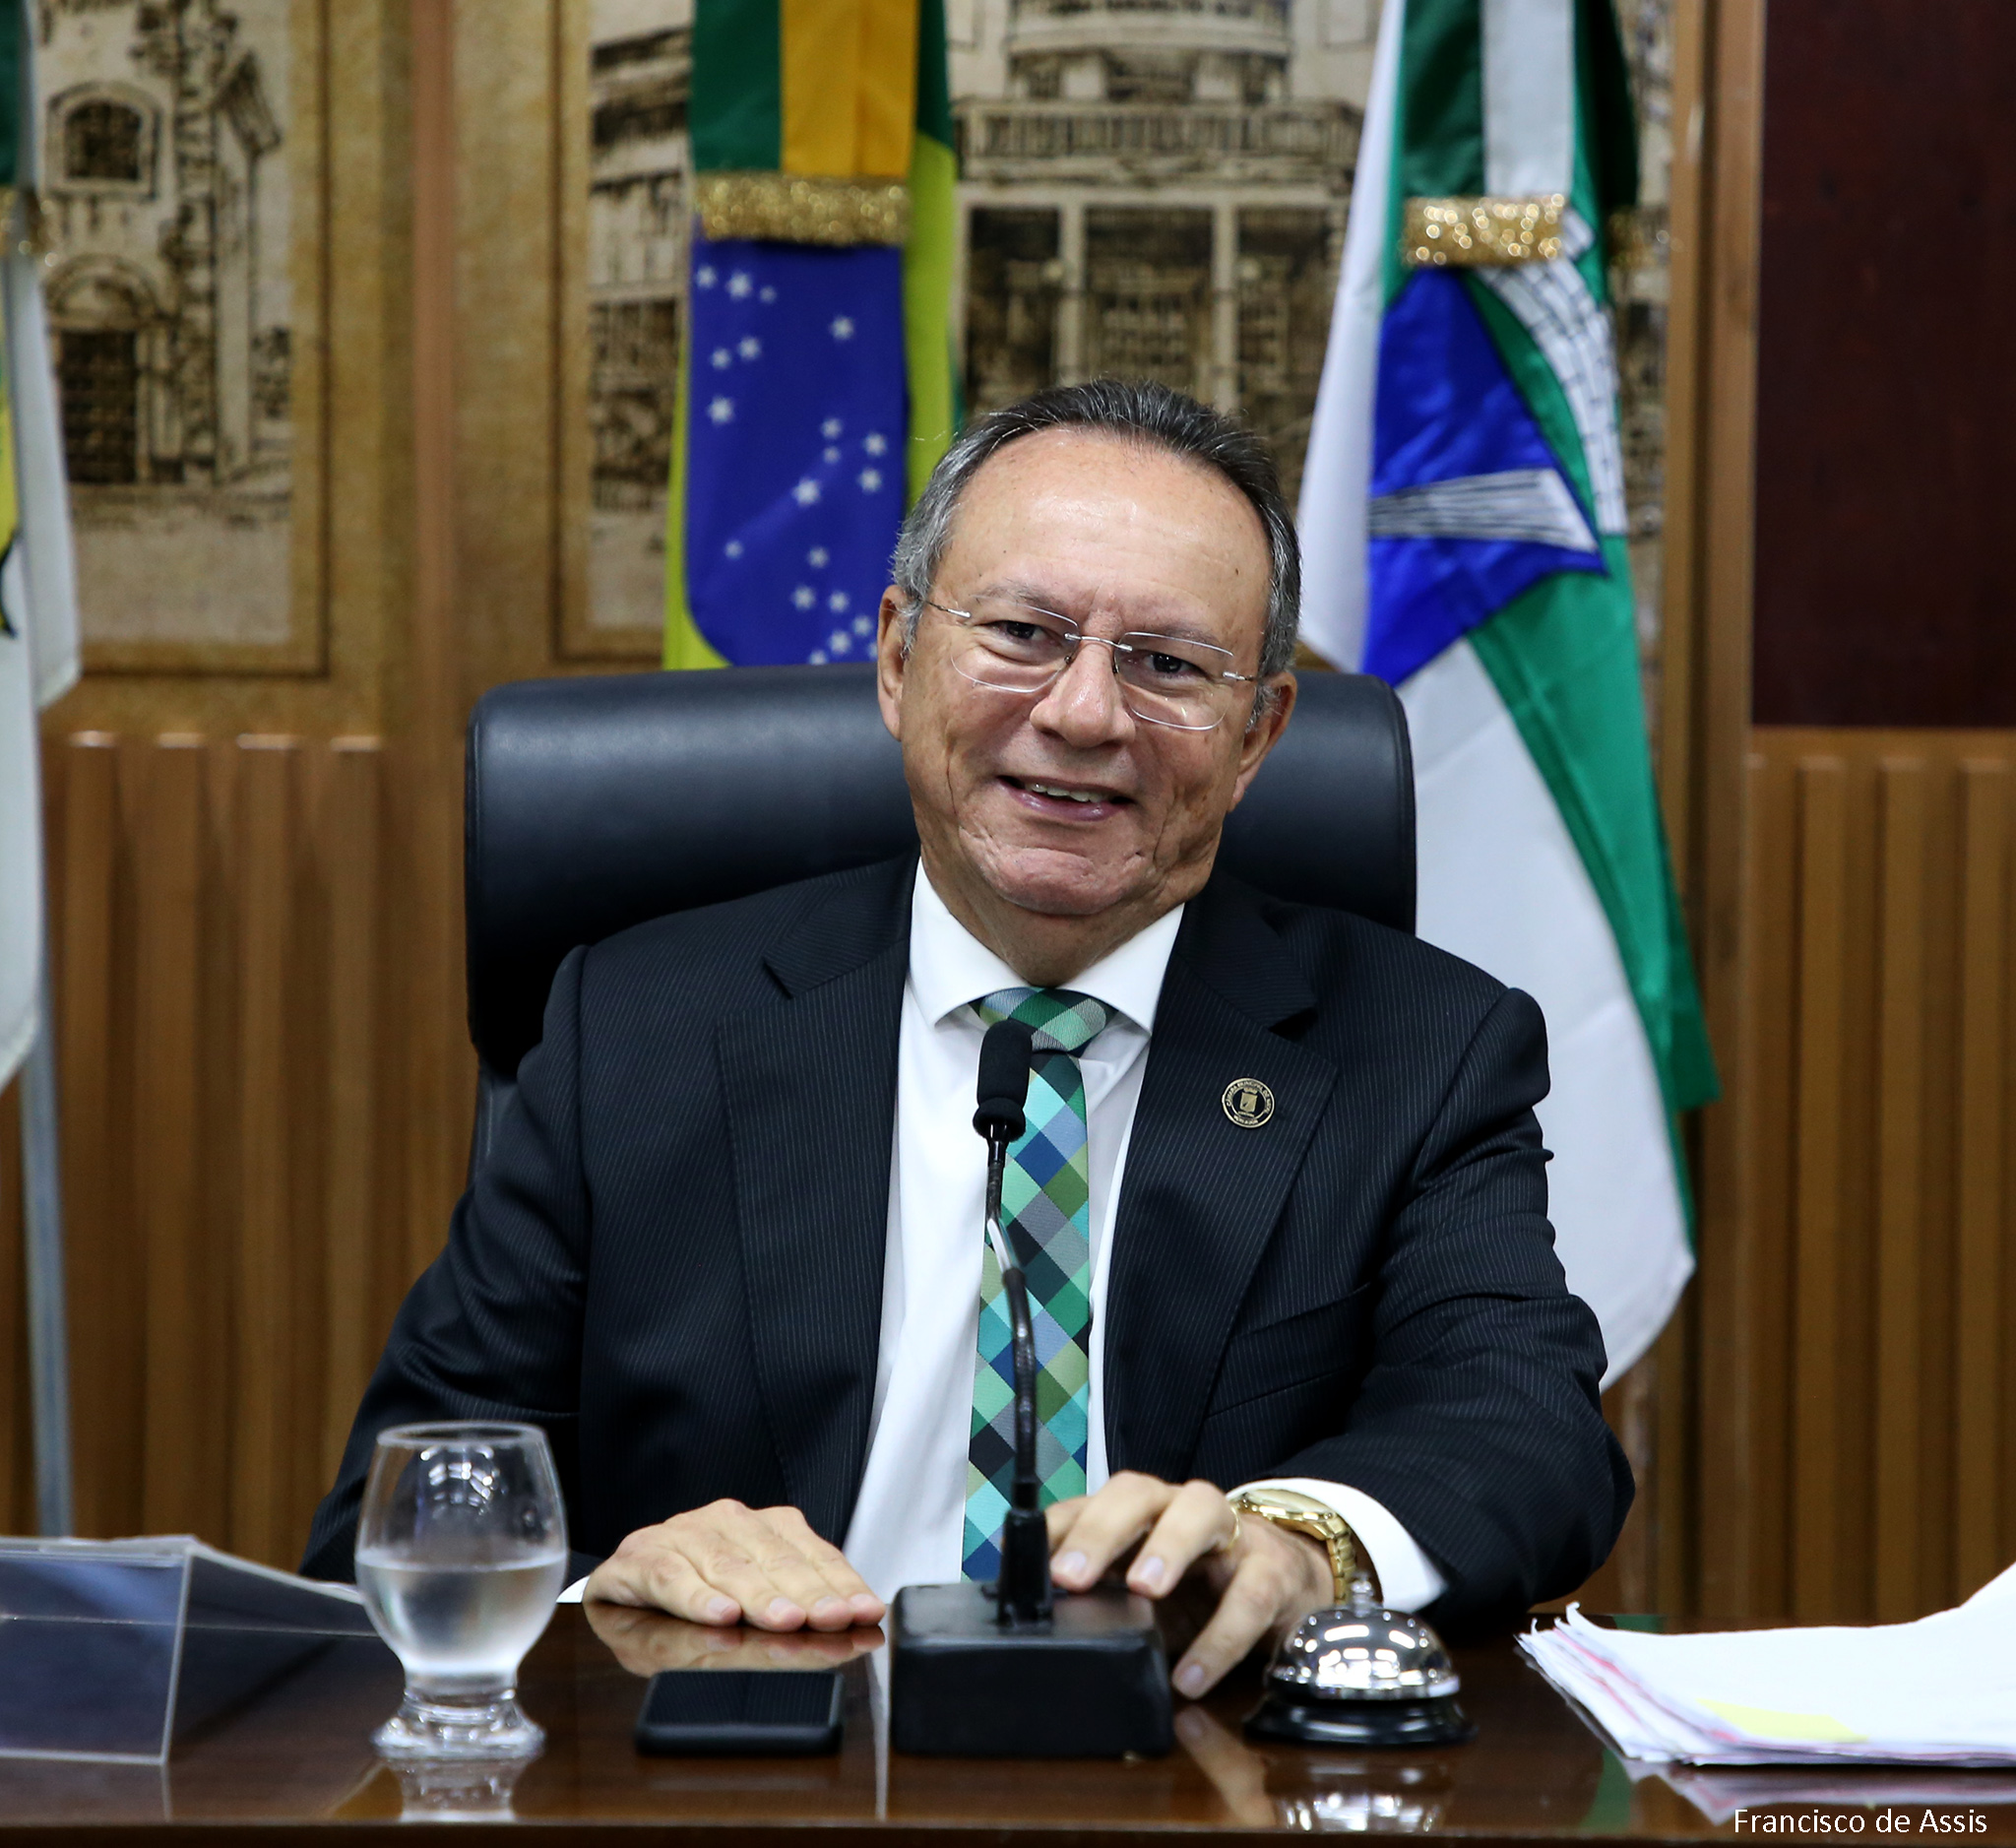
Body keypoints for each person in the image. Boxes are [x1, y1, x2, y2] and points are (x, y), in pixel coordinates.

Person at [305, 380, 1629, 1696]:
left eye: (1168, 665)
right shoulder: (639, 1031)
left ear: (1257, 736)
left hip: (1194, 1765)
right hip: (754, 1770)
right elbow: (402, 1508)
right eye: (1023, 633)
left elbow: (1530, 1434)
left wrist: (1300, 1543)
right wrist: (617, 1581)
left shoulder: (1421, 1050)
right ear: (897, 659)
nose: (1084, 713)